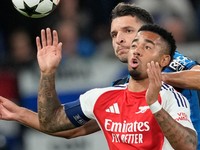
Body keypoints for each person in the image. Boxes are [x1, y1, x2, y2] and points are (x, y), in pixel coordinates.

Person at [0, 1, 200, 147]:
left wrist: (156, 78)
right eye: (114, 34)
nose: (119, 39)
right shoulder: (119, 90)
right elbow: (75, 129)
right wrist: (20, 113)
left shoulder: (170, 60)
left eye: (128, 31)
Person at [36, 24, 197, 149]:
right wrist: (47, 73)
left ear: (164, 60)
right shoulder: (102, 97)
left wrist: (154, 104)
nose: (137, 51)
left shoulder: (171, 98)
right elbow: (50, 122)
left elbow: (188, 146)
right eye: (134, 45)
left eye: (147, 47)